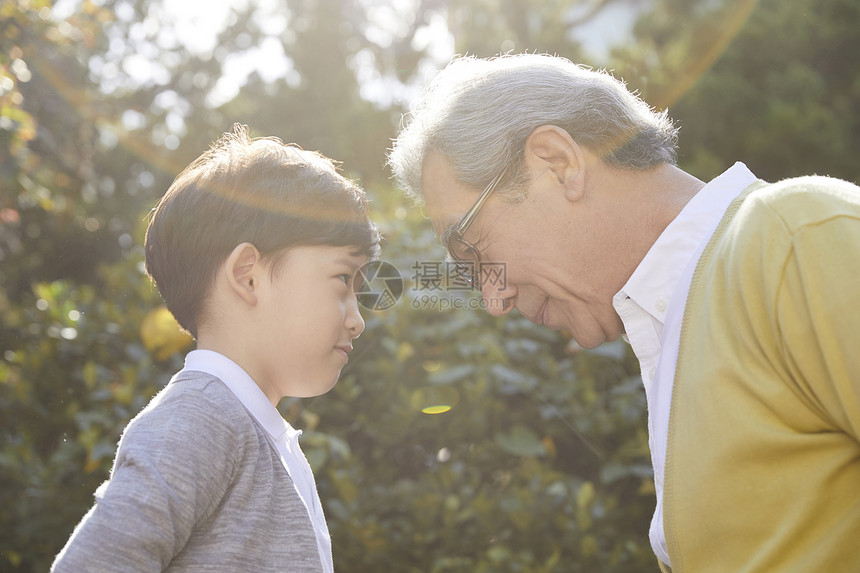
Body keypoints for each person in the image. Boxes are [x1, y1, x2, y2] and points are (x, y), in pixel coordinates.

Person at [388, 53, 860, 572]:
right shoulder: (683, 321)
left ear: (558, 163)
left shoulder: (790, 236)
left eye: (471, 249)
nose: (493, 300)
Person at [52, 124, 379, 572]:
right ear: (248, 275)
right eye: (344, 278)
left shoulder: (250, 429)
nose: (357, 319)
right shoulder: (201, 421)